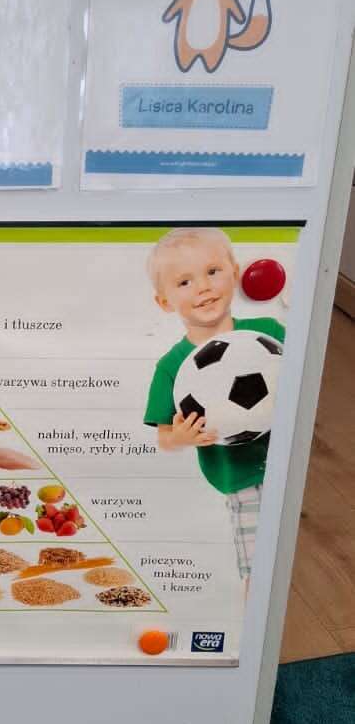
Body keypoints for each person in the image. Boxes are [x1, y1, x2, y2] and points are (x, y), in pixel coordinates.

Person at [143, 228, 285, 582]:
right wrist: (182, 437)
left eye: (212, 272)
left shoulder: (271, 332)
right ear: (165, 302)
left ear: (234, 273)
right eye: (184, 282)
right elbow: (164, 437)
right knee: (258, 571)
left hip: (296, 465)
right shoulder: (171, 365)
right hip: (243, 479)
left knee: (299, 552)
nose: (203, 287)